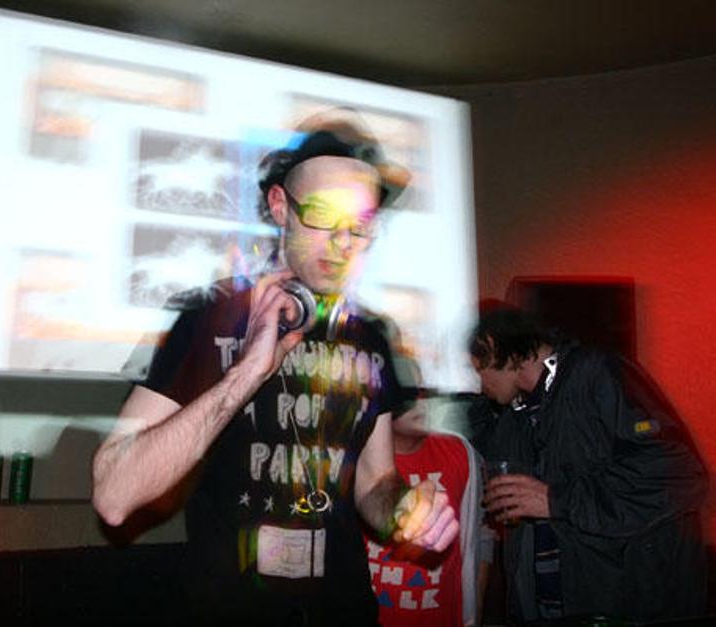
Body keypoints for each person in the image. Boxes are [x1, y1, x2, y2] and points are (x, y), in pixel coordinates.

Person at [92, 114, 459, 626]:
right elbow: (114, 496)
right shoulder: (206, 318)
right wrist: (246, 374)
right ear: (281, 206)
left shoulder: (371, 337)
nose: (343, 242)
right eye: (323, 216)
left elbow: (375, 482)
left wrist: (406, 510)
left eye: (359, 224)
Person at [469, 305, 708, 624]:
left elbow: (680, 473)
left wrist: (556, 500)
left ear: (493, 345)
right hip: (553, 610)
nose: (475, 381)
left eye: (475, 367)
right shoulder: (516, 415)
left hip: (627, 609)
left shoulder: (597, 373)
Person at [363, 354, 485, 627]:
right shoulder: (359, 459)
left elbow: (477, 538)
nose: (423, 401)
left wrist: (471, 614)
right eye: (411, 393)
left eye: (426, 391)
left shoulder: (460, 453)